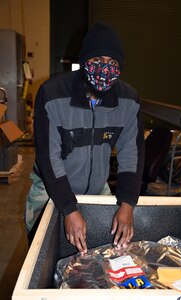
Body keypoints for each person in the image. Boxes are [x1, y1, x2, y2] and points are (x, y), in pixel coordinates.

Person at [25, 22, 145, 254]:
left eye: (113, 63)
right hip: (50, 187)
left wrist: (128, 203)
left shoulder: (129, 101)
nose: (105, 68)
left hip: (97, 187)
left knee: (108, 252)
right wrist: (69, 209)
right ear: (84, 62)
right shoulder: (52, 94)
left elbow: (132, 153)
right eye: (98, 60)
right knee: (42, 253)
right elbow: (49, 157)